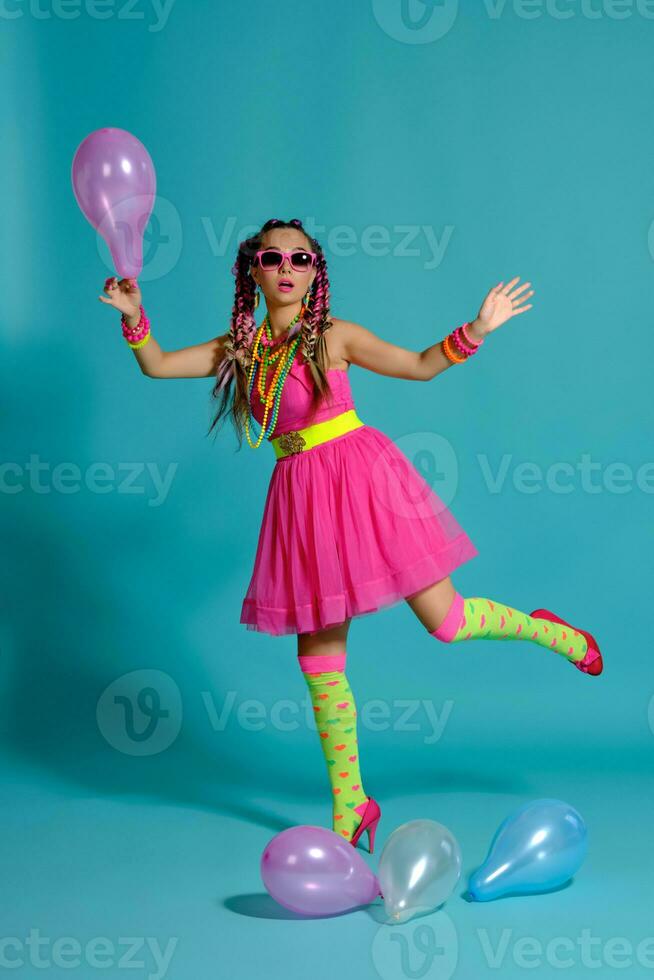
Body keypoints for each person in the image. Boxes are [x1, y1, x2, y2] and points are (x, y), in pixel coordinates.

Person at [98, 217, 604, 855]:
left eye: (301, 259)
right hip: (300, 503)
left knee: (448, 623)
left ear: (315, 274)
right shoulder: (241, 347)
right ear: (251, 269)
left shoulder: (334, 338)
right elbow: (158, 366)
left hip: (364, 484)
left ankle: (554, 632)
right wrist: (134, 315)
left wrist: (476, 330)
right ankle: (351, 805)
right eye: (273, 257)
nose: (287, 268)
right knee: (317, 662)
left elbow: (419, 366)